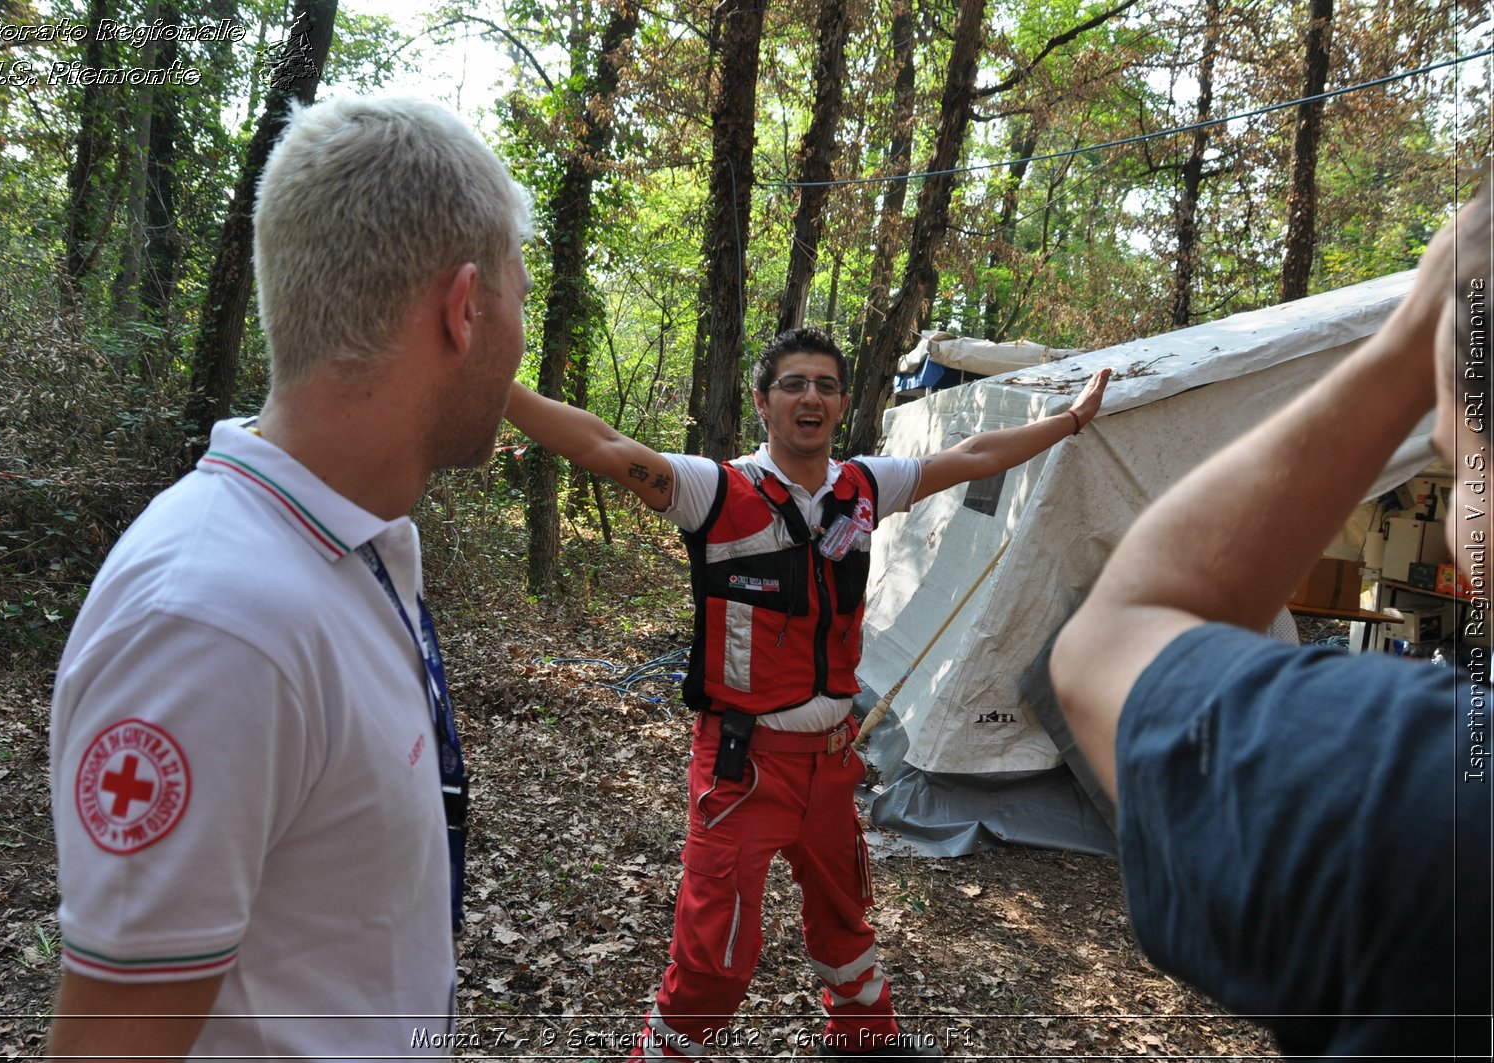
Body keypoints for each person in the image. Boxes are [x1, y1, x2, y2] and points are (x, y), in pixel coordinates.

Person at [47, 96, 532, 1057]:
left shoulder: (345, 547)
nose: (521, 337)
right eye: (521, 298)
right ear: (462, 307)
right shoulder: (216, 623)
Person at [505, 327, 1110, 1058]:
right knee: (716, 954)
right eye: (793, 384)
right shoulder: (714, 491)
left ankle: (863, 1040)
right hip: (743, 768)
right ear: (763, 402)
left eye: (825, 384)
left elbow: (970, 458)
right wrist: (495, 387)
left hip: (830, 764)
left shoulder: (862, 487)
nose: (811, 397)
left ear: (844, 401)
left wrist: (1070, 421)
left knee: (845, 914)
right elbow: (600, 445)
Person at [1050, 178, 1493, 1059]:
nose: (1449, 514)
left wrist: (1415, 335)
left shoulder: (1436, 800)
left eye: (1458, 463)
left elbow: (1114, 632)